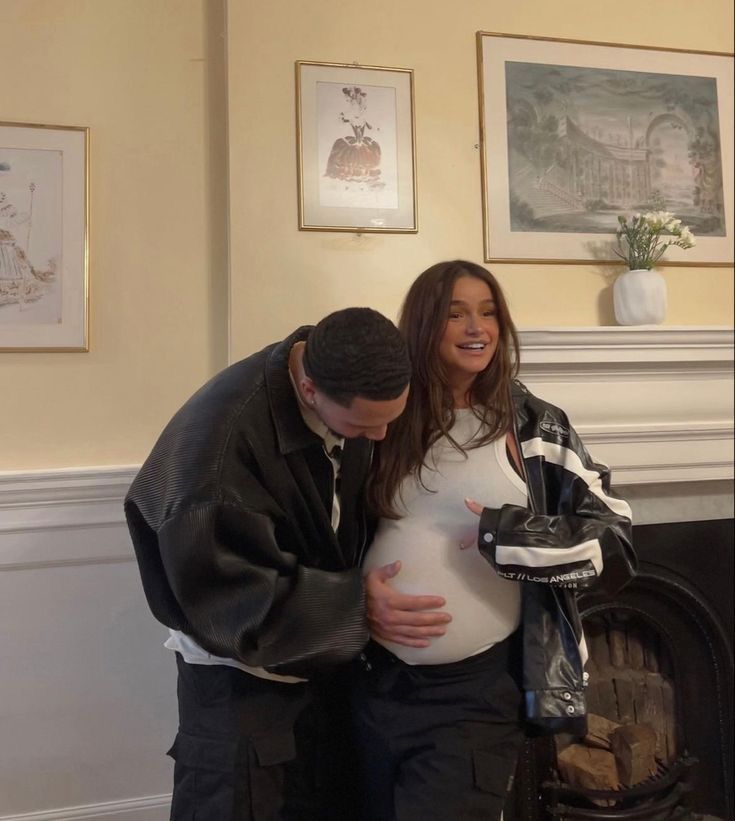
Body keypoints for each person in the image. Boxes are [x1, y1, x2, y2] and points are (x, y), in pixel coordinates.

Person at [124, 307, 451, 821]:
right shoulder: (215, 457)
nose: (382, 437)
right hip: (238, 687)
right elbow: (233, 609)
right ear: (308, 389)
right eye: (365, 424)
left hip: (314, 673)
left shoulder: (339, 379)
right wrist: (361, 608)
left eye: (393, 418)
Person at [354, 261, 637, 821]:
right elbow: (333, 533)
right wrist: (352, 598)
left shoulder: (531, 423)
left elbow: (616, 538)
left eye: (488, 312)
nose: (476, 327)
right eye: (455, 314)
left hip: (474, 692)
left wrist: (506, 533)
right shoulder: (384, 420)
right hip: (372, 683)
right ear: (423, 324)